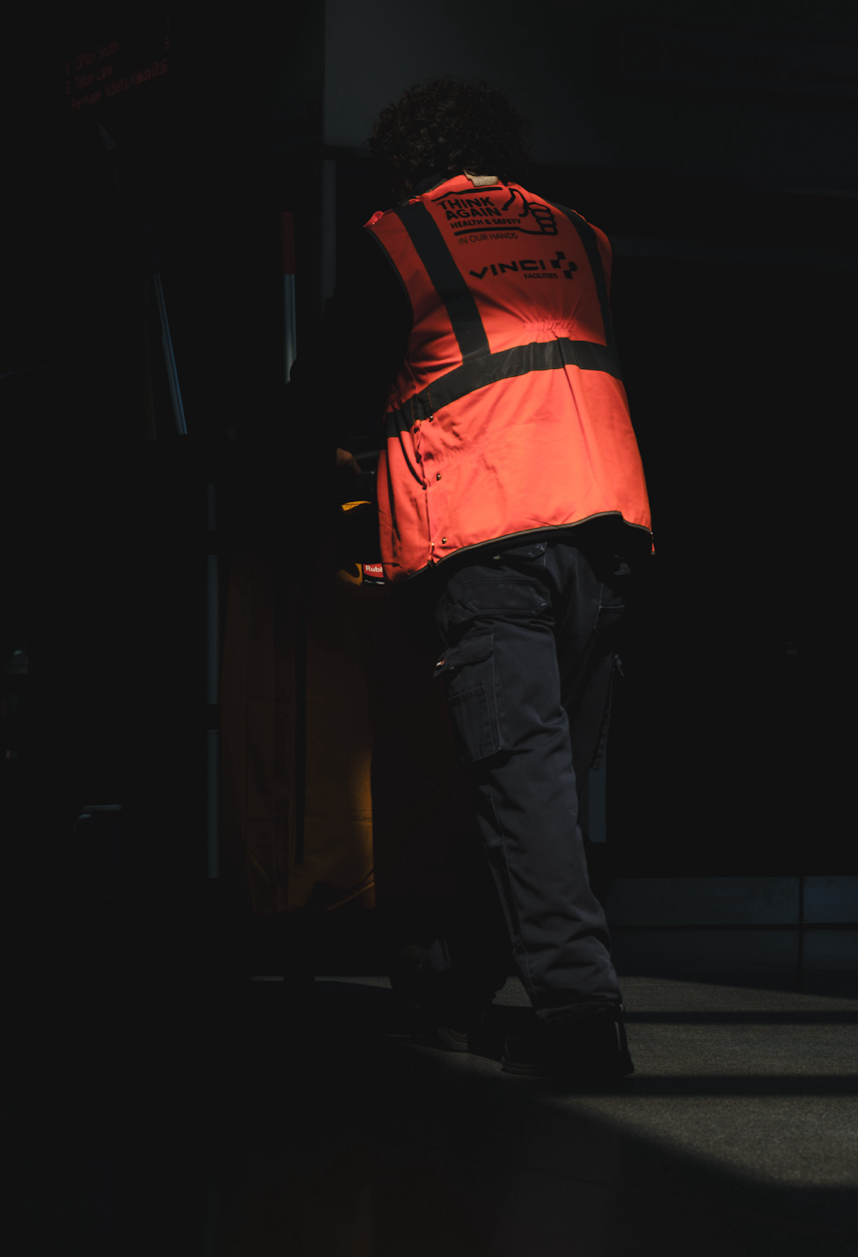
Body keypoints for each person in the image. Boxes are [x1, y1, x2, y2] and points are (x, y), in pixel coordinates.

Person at [277, 77, 653, 1082]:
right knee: (547, 786)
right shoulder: (582, 236)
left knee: (517, 778)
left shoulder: (397, 242)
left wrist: (317, 467)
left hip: (492, 540)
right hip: (606, 535)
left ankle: (579, 1016)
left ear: (408, 162)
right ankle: (457, 980)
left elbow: (323, 399)